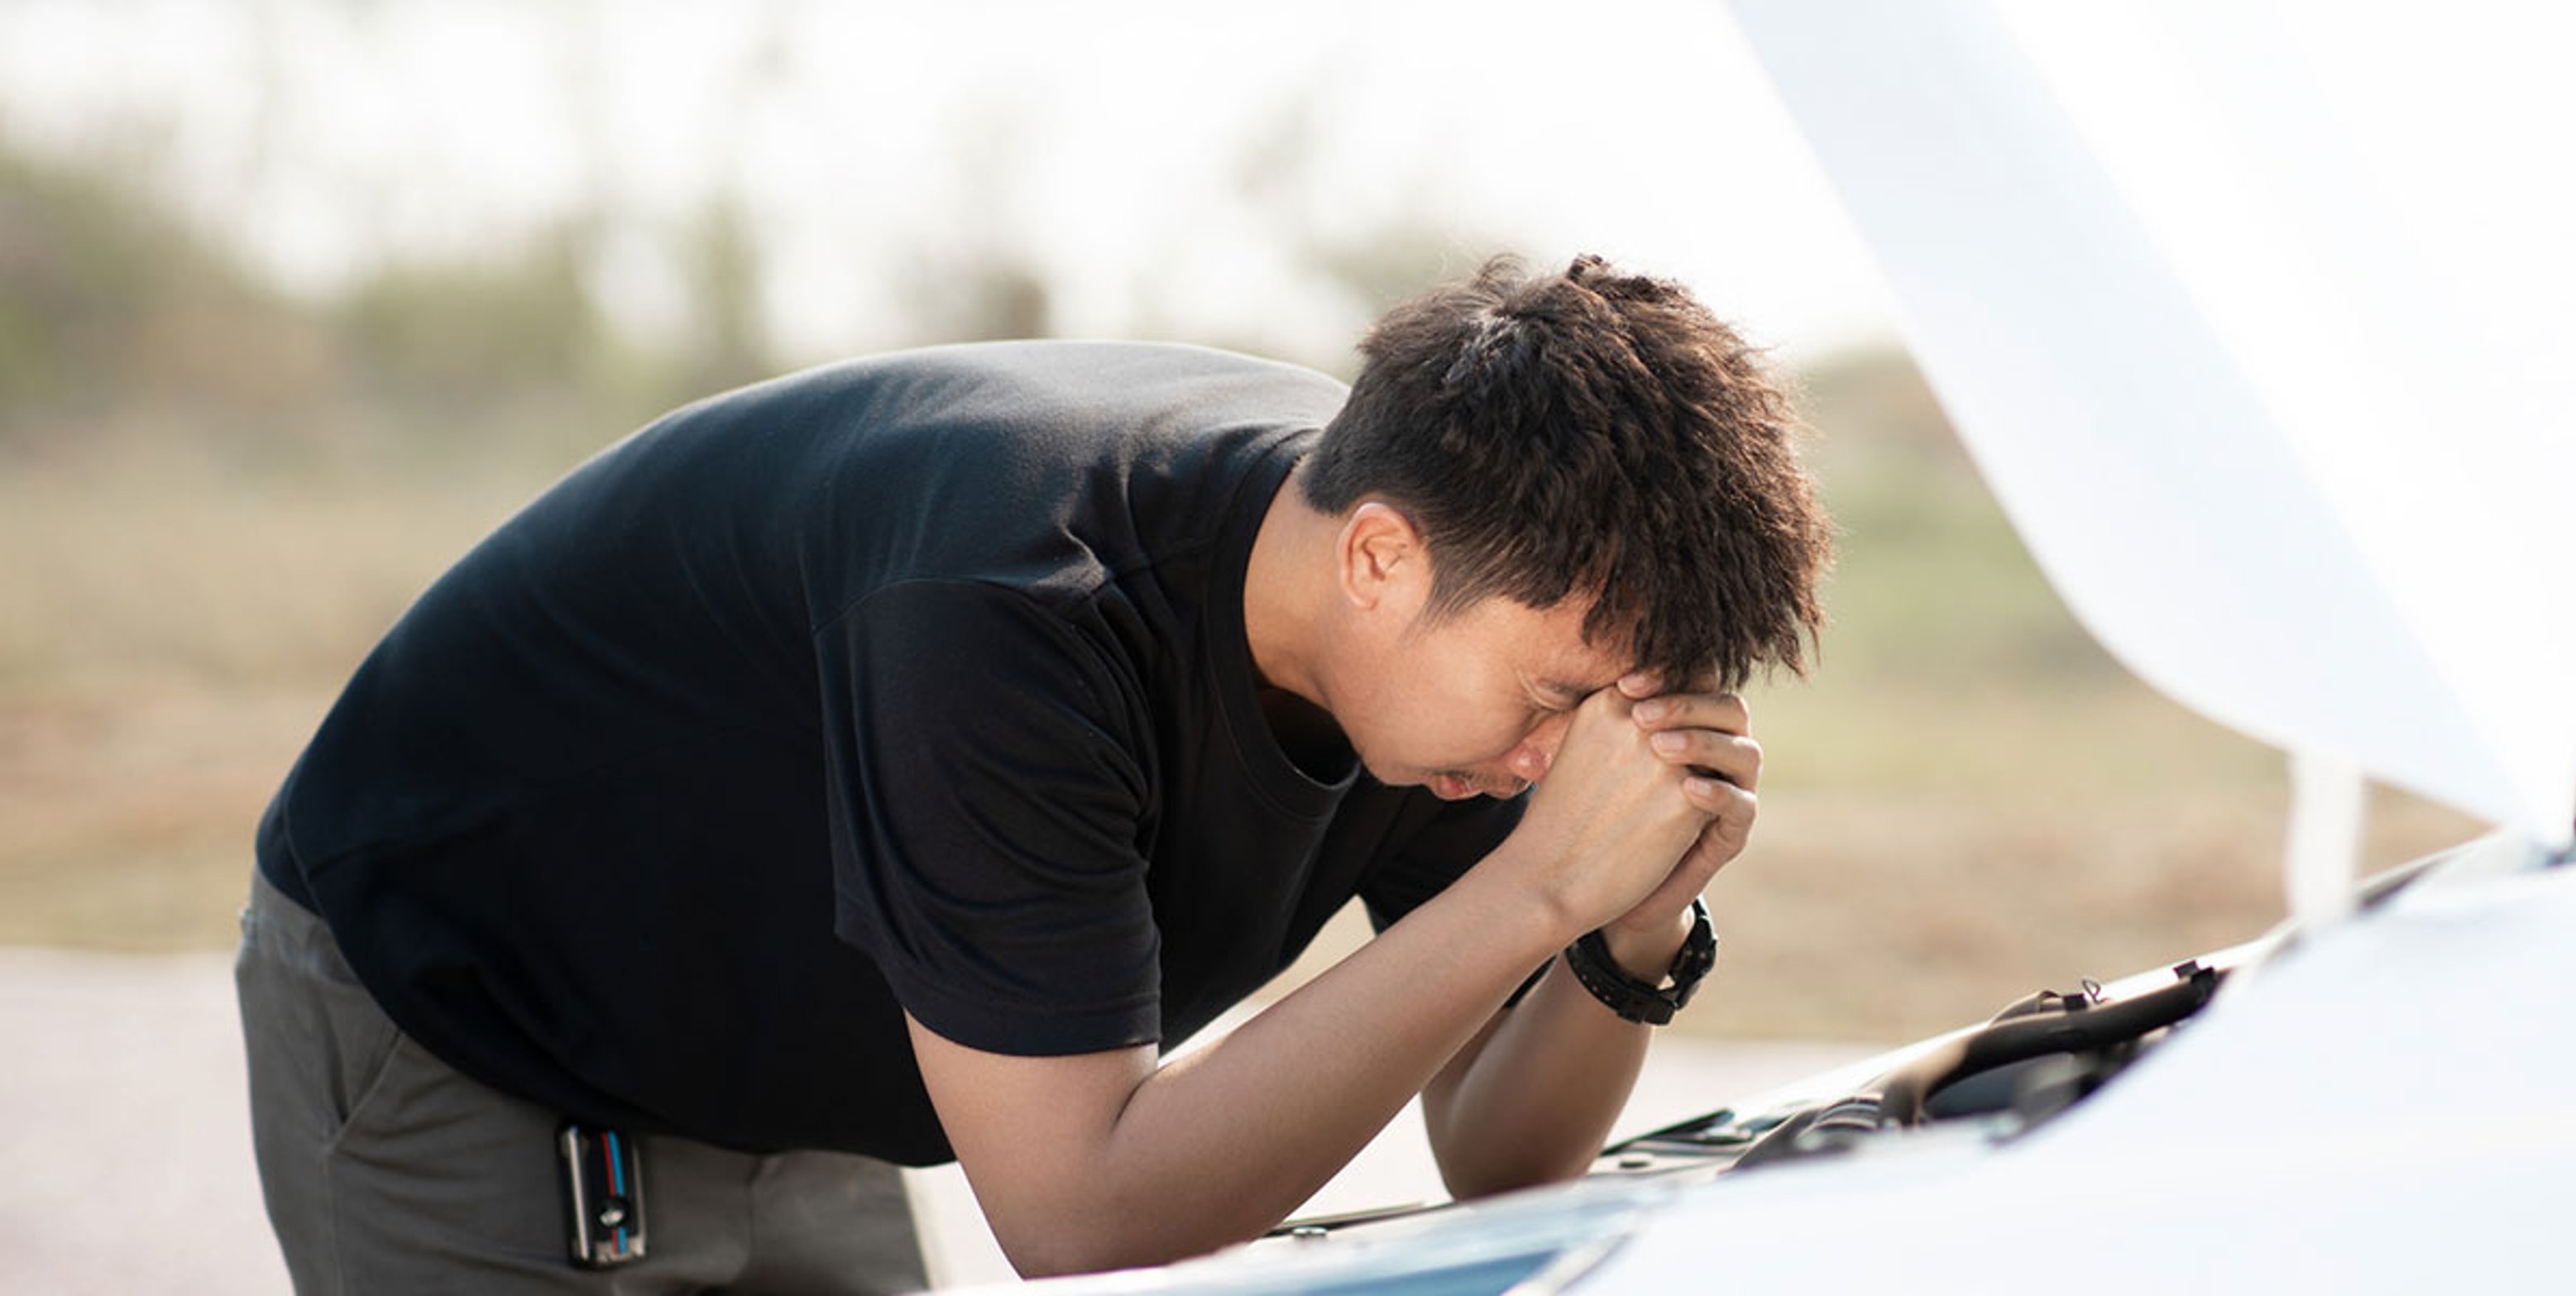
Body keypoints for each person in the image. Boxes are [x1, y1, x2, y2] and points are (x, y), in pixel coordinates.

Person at [235, 252, 1833, 1291]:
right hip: (473, 1027)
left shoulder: (1437, 644)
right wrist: (1544, 883)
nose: (1569, 761)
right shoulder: (1010, 602)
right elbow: (1080, 1222)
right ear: (1380, 560)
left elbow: (1498, 1158)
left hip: (820, 1064)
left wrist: (1628, 933)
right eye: (1559, 701)